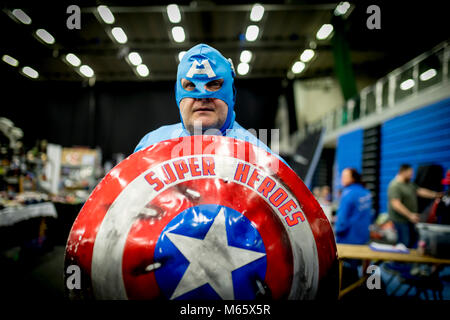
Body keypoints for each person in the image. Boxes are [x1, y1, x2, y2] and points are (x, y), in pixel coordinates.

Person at [133, 43, 284, 164]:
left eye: (214, 84)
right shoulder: (150, 149)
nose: (203, 96)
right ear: (178, 96)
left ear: (232, 94)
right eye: (191, 85)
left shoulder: (262, 158)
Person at [388, 164, 443, 248]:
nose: (412, 175)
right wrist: (410, 215)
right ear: (403, 172)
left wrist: (436, 195)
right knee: (404, 244)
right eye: (410, 173)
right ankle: (400, 261)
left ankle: (407, 260)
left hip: (410, 219)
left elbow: (420, 191)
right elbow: (396, 204)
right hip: (400, 220)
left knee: (411, 242)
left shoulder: (409, 184)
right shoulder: (395, 185)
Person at [334, 168, 372, 245]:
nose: (342, 179)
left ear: (352, 178)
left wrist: (336, 232)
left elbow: (341, 222)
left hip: (348, 239)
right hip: (363, 238)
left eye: (344, 176)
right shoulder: (366, 192)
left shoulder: (347, 193)